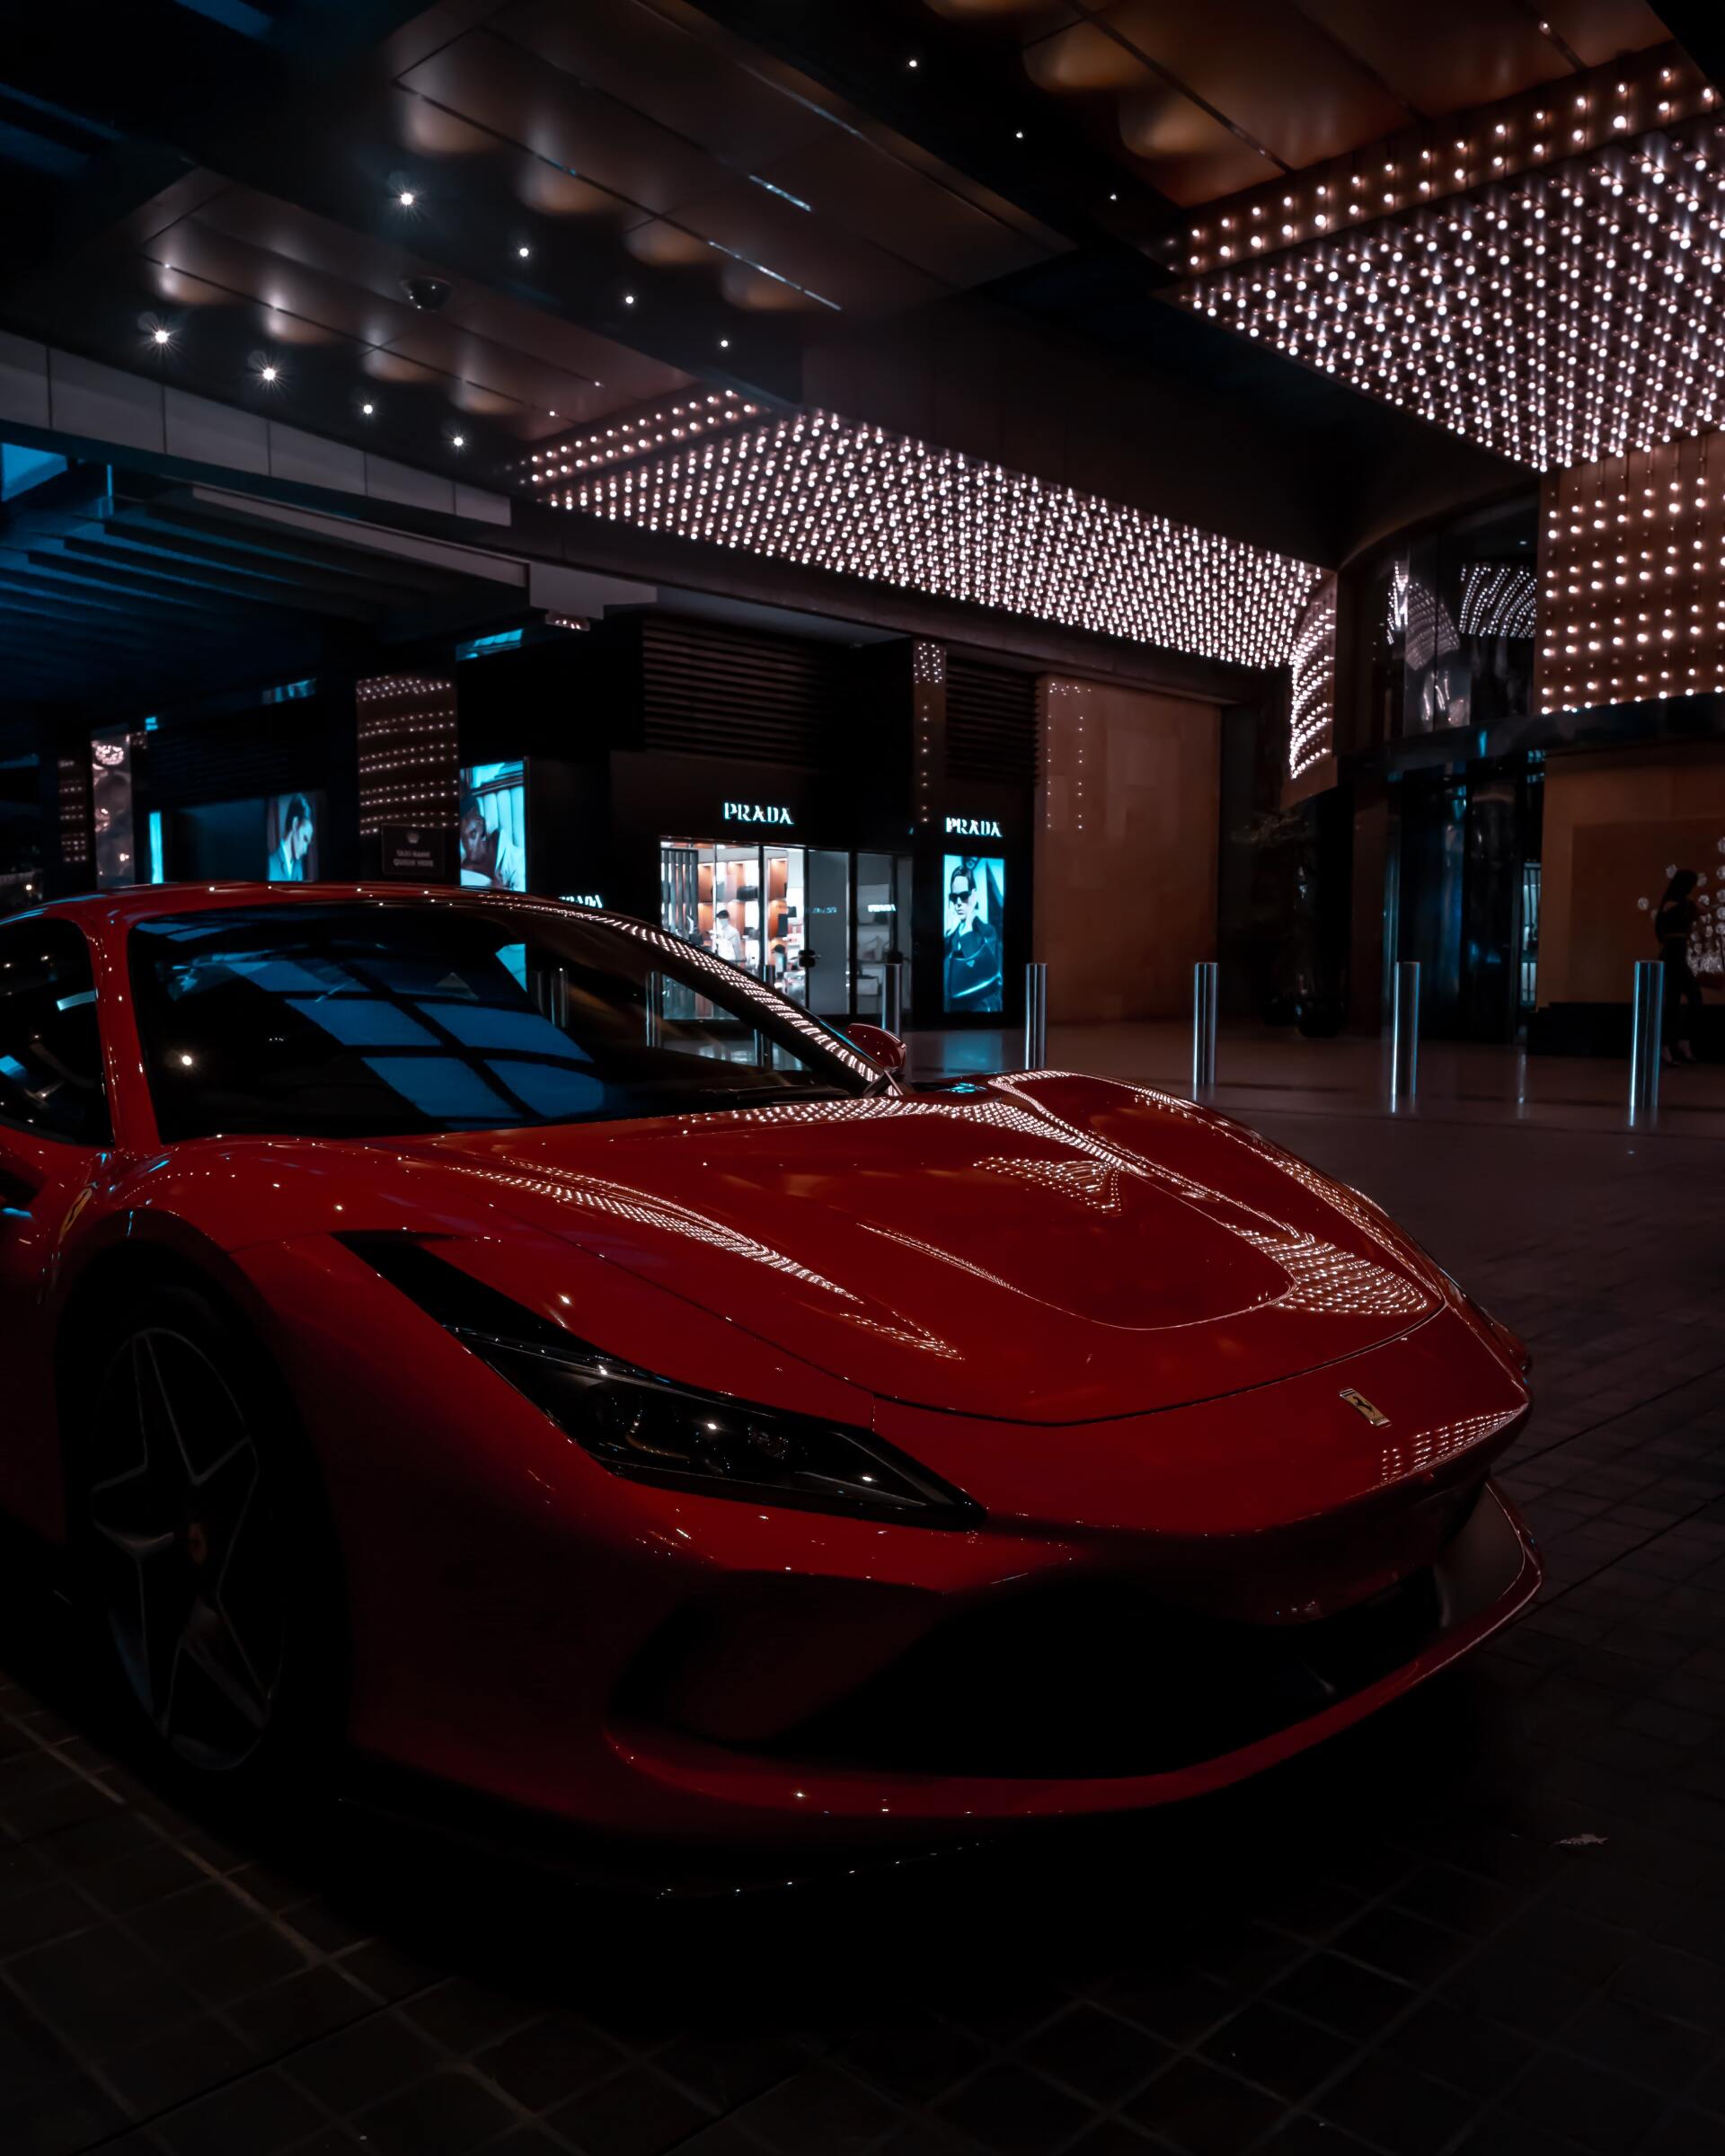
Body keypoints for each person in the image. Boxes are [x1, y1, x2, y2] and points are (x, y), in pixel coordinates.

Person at [1655, 868, 1705, 1065]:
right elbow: (1664, 927)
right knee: (1691, 997)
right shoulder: (1673, 905)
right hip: (1673, 956)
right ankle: (1673, 1043)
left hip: (1677, 955)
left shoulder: (1682, 905)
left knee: (1675, 1001)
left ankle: (1670, 1044)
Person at [944, 862, 1003, 1012]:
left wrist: (968, 929)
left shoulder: (987, 932)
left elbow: (980, 974)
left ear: (973, 895)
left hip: (981, 1015)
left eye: (963, 896)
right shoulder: (952, 935)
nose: (958, 903)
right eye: (954, 897)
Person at [458, 792, 524, 892]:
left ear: (481, 824)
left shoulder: (515, 858)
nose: (468, 844)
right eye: (463, 837)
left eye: (472, 834)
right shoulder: (463, 875)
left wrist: (502, 894)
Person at [269, 795, 314, 883]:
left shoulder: (298, 867)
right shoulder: (270, 866)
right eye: (305, 839)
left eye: (308, 843)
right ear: (295, 824)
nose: (305, 850)